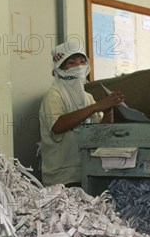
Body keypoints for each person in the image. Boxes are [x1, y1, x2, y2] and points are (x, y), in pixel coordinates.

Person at [39, 41, 123, 187]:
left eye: (82, 61)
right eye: (71, 62)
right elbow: (57, 126)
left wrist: (108, 108)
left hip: (87, 171)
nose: (78, 66)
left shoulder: (88, 98)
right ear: (60, 68)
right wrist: (95, 107)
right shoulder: (54, 95)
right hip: (61, 178)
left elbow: (100, 134)